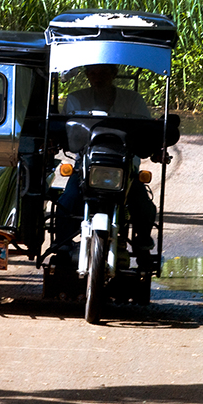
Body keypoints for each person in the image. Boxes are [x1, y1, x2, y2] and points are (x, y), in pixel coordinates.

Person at [54, 64, 157, 267]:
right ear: (87, 75)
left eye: (103, 72)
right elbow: (63, 130)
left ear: (114, 74)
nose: (97, 77)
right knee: (68, 200)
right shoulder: (76, 98)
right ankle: (63, 246)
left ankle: (143, 245)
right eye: (92, 72)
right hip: (86, 167)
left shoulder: (133, 100)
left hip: (124, 168)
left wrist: (156, 148)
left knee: (144, 206)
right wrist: (54, 142)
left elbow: (148, 131)